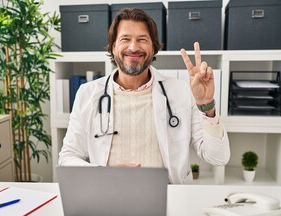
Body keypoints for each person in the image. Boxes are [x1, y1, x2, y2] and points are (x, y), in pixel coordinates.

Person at [58, 8, 230, 184]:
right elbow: (67, 158)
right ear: (113, 46)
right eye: (125, 39)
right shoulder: (87, 94)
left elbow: (218, 158)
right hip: (108, 195)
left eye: (142, 39)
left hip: (169, 198)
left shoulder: (181, 92)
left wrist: (207, 104)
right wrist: (105, 174)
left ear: (154, 47)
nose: (133, 47)